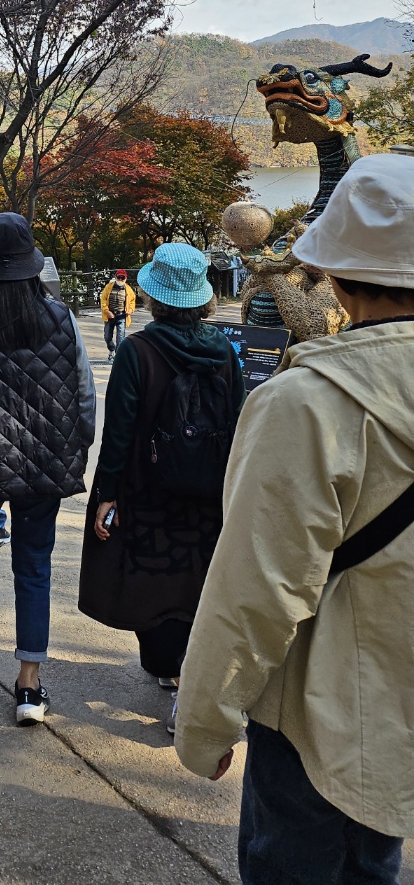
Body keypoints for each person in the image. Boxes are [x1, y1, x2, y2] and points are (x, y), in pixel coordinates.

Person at [175, 155, 414, 883]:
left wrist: (206, 721)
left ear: (334, 275)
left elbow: (258, 587)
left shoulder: (306, 404)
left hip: (322, 711)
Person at [78, 242, 243, 734]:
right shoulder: (223, 350)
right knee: (199, 579)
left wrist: (107, 493)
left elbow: (120, 430)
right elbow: (238, 421)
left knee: (154, 578)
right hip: (209, 491)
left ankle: (175, 677)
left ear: (154, 295)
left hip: (148, 489)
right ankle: (189, 676)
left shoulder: (138, 351)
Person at [0, 213, 97, 725]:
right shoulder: (62, 317)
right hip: (47, 461)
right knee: (34, 567)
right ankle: (29, 684)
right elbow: (84, 392)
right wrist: (77, 447)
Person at [100, 268, 136, 359]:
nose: (120, 279)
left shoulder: (128, 289)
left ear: (126, 278)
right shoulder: (108, 287)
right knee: (107, 336)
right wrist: (106, 311)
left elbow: (132, 301)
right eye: (118, 277)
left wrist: (130, 310)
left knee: (120, 337)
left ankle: (118, 356)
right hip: (109, 315)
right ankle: (111, 348)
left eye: (122, 278)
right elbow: (103, 299)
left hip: (122, 315)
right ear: (115, 277)